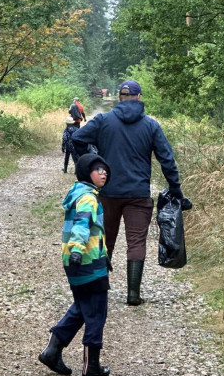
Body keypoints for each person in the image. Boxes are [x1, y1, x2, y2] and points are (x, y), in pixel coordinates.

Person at [72, 79, 191, 306]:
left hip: (107, 193)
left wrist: (89, 166)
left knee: (104, 240)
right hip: (138, 194)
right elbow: (167, 159)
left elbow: (77, 138)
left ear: (119, 97)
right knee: (136, 241)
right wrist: (176, 190)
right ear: (139, 97)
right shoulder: (151, 125)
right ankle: (133, 294)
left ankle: (100, 293)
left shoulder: (103, 121)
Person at [39, 153, 111, 376]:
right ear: (86, 173)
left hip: (77, 262)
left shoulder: (78, 194)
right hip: (86, 261)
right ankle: (92, 366)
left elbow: (94, 231)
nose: (104, 173)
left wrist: (104, 254)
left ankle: (53, 349)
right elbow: (81, 225)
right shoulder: (88, 198)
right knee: (97, 310)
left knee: (83, 306)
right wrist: (78, 250)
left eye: (105, 169)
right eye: (98, 169)